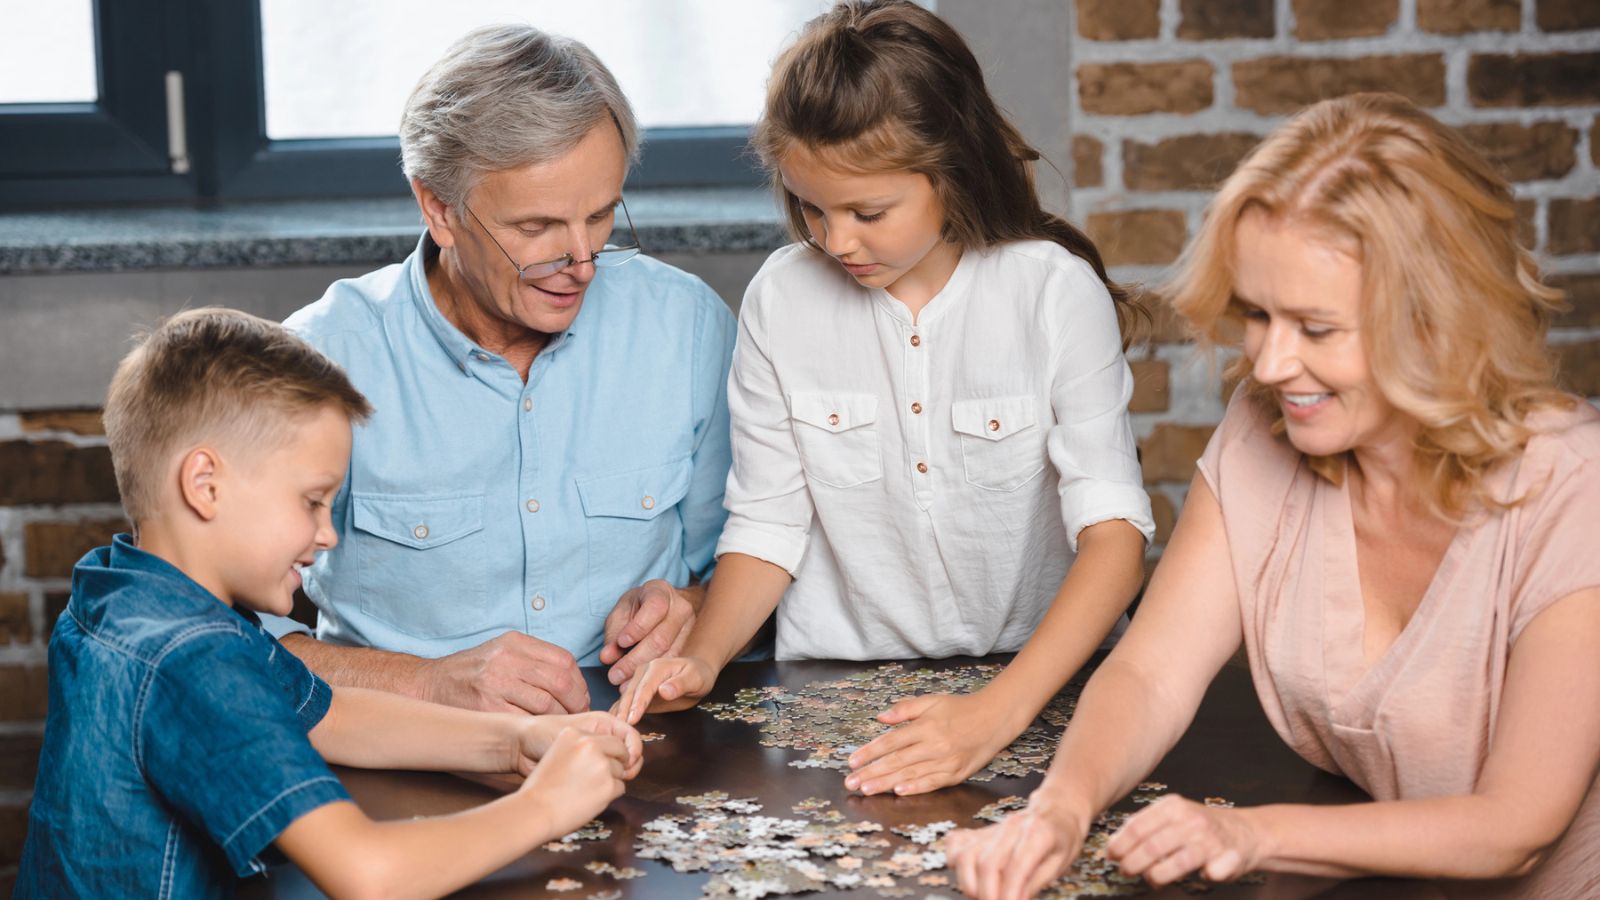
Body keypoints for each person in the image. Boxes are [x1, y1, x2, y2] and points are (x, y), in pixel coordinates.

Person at [944, 92, 1600, 899]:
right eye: (1257, 313)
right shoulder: (1265, 431)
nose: (1270, 363)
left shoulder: (1575, 485)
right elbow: (1152, 673)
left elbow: (1516, 828)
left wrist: (1250, 832)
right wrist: (1060, 809)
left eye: (1316, 329)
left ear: (1438, 320)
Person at [617, 0, 1154, 798]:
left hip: (1036, 689)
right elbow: (768, 522)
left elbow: (1115, 537)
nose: (836, 242)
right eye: (810, 206)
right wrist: (704, 654)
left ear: (954, 172)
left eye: (868, 212)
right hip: (829, 700)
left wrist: (995, 713)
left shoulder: (1051, 292)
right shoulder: (780, 299)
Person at [18, 309, 643, 898]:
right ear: (205, 485)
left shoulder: (125, 590)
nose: (328, 533)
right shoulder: (192, 658)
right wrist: (548, 804)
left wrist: (518, 740)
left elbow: (327, 714)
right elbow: (366, 875)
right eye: (313, 501)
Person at [258, 25, 738, 715]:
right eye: (537, 227)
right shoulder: (325, 357)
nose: (581, 261)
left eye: (600, 215)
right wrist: (424, 682)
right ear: (440, 209)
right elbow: (225, 639)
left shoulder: (685, 326)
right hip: (403, 755)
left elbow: (751, 565)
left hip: (644, 747)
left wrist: (692, 609)